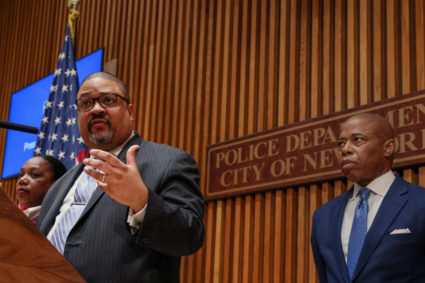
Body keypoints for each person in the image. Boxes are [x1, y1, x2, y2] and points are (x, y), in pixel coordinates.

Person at [37, 72, 205, 283]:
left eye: (108, 100)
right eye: (86, 103)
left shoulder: (169, 161)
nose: (96, 109)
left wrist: (141, 202)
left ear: (130, 111)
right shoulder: (58, 186)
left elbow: (189, 238)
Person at [311, 113, 425, 282]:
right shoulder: (323, 215)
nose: (345, 149)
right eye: (341, 143)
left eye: (357, 140)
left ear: (388, 148)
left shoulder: (420, 203)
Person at [16, 155, 66, 224]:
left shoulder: (62, 220)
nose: (21, 180)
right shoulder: (8, 216)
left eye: (34, 174)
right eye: (21, 175)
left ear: (56, 184)